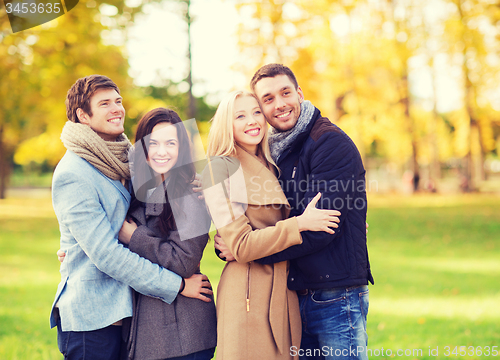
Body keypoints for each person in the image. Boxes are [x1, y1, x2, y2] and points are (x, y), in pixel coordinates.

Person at [50, 75, 211, 360]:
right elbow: (106, 254)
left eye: (118, 101)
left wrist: (194, 179)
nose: (117, 109)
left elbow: (168, 163)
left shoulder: (124, 160)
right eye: (104, 104)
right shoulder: (74, 173)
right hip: (94, 319)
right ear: (83, 115)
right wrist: (179, 285)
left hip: (131, 319)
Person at [201, 90, 341, 360]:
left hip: (283, 290)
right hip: (248, 296)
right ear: (226, 124)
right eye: (240, 115)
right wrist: (299, 225)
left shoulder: (272, 164)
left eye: (256, 113)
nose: (252, 121)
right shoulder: (219, 169)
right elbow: (241, 246)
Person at [249, 64, 374, 360]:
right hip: (296, 294)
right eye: (268, 99)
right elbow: (275, 217)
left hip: (335, 296)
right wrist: (232, 238)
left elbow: (320, 229)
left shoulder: (328, 142)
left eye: (285, 93)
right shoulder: (275, 152)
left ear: (300, 94)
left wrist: (248, 248)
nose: (279, 104)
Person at [117, 108, 217, 360]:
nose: (162, 151)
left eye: (170, 143)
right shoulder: (139, 191)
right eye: (154, 143)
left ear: (181, 148)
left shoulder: (190, 194)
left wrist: (135, 237)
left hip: (183, 334)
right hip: (150, 331)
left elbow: (184, 261)